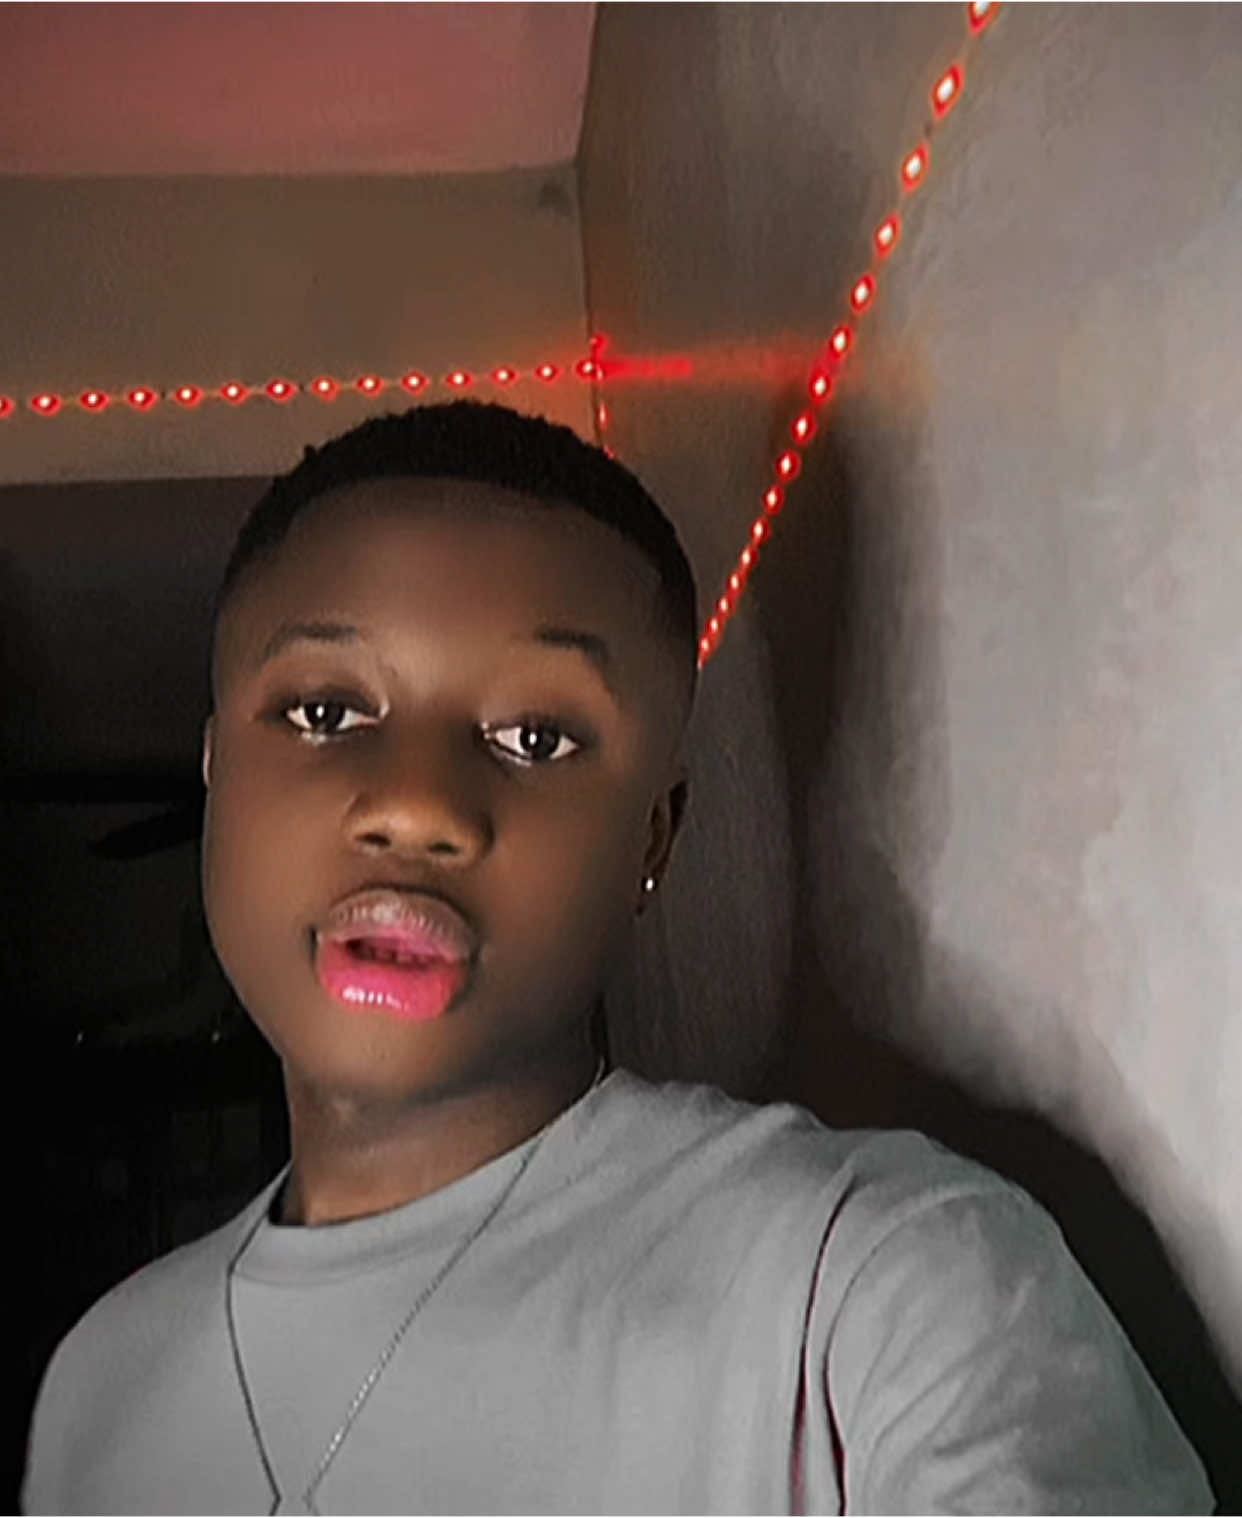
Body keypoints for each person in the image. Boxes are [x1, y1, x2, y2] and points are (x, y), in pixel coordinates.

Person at [22, 401, 1212, 1515]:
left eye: (536, 736)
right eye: (326, 712)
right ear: (218, 771)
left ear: (652, 839)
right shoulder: (99, 1383)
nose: (418, 806)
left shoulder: (875, 1280)